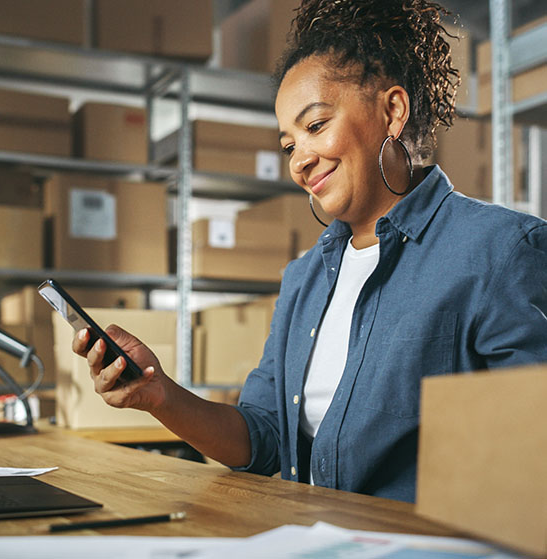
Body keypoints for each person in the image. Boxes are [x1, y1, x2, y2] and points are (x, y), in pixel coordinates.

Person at [73, 0, 547, 503]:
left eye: (315, 125)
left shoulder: (500, 250)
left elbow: (532, 457)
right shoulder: (304, 280)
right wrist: (160, 394)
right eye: (288, 144)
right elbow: (262, 438)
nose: (299, 161)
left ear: (393, 111)